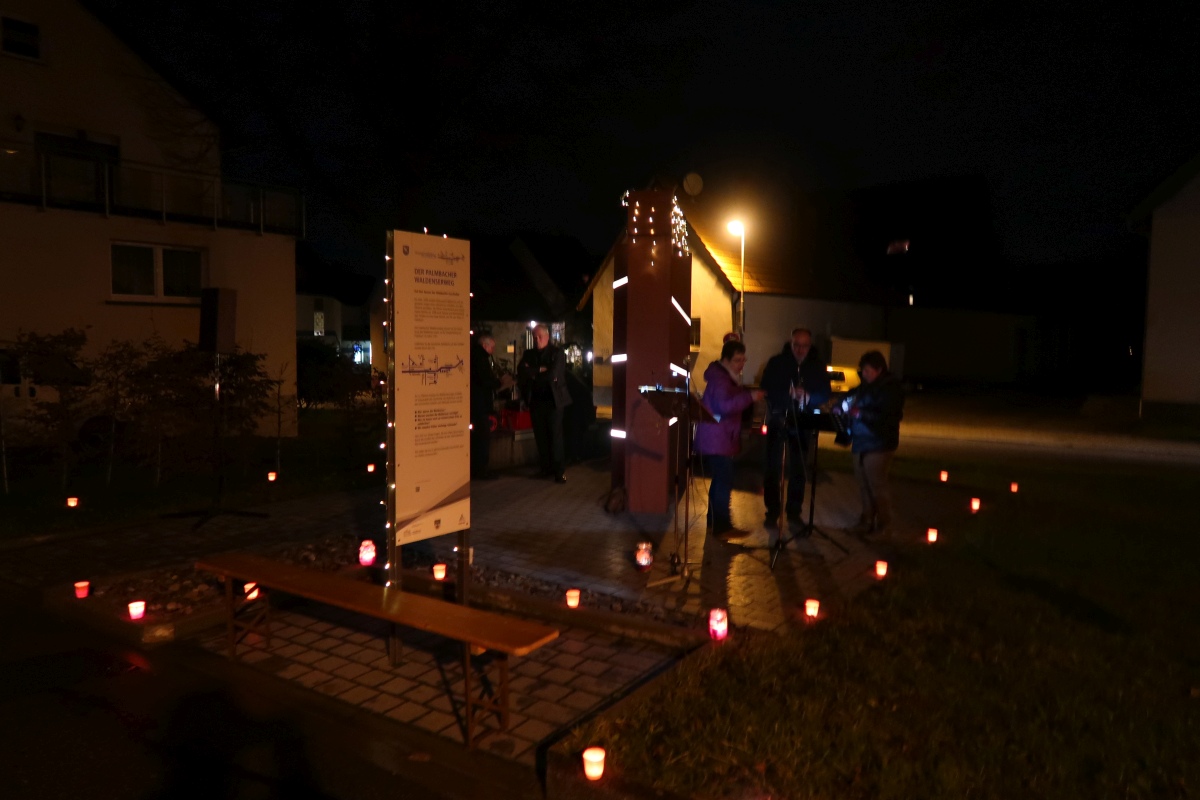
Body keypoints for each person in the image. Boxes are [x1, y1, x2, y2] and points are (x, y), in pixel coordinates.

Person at [759, 328, 832, 529]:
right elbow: (766, 387)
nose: (800, 350)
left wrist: (808, 397)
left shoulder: (817, 366)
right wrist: (788, 394)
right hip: (779, 418)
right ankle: (772, 511)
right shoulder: (777, 363)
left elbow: (826, 392)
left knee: (799, 467)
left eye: (804, 346)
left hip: (803, 421)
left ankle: (794, 511)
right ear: (790, 344)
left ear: (810, 346)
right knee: (772, 466)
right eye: (796, 345)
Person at [694, 339, 763, 538]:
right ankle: (722, 526)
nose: (741, 364)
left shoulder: (725, 377)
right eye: (736, 360)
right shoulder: (721, 380)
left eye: (743, 360)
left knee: (720, 480)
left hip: (718, 437)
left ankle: (714, 523)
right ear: (725, 360)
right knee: (724, 480)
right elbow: (724, 406)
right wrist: (749, 397)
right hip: (717, 438)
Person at [841, 350, 905, 537]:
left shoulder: (891, 389)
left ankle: (884, 524)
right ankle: (866, 520)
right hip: (861, 441)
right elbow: (851, 396)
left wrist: (860, 414)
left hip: (880, 443)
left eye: (867, 371)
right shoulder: (865, 387)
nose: (864, 374)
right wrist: (841, 405)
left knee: (877, 484)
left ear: (879, 370)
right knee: (862, 483)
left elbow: (889, 417)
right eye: (863, 371)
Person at [517, 324, 572, 483]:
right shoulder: (529, 353)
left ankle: (559, 471)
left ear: (547, 337)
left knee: (555, 436)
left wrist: (533, 373)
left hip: (553, 401)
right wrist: (539, 370)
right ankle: (545, 468)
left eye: (540, 336)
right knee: (540, 436)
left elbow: (553, 375)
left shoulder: (557, 353)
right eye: (535, 337)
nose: (537, 340)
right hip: (536, 400)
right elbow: (521, 371)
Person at [470, 334, 513, 479]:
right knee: (482, 438)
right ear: (485, 345)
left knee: (478, 438)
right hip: (480, 404)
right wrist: (500, 383)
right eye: (492, 347)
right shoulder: (481, 359)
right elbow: (485, 380)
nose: (493, 350)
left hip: (476, 403)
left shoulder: (475, 355)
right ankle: (481, 470)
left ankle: (478, 469)